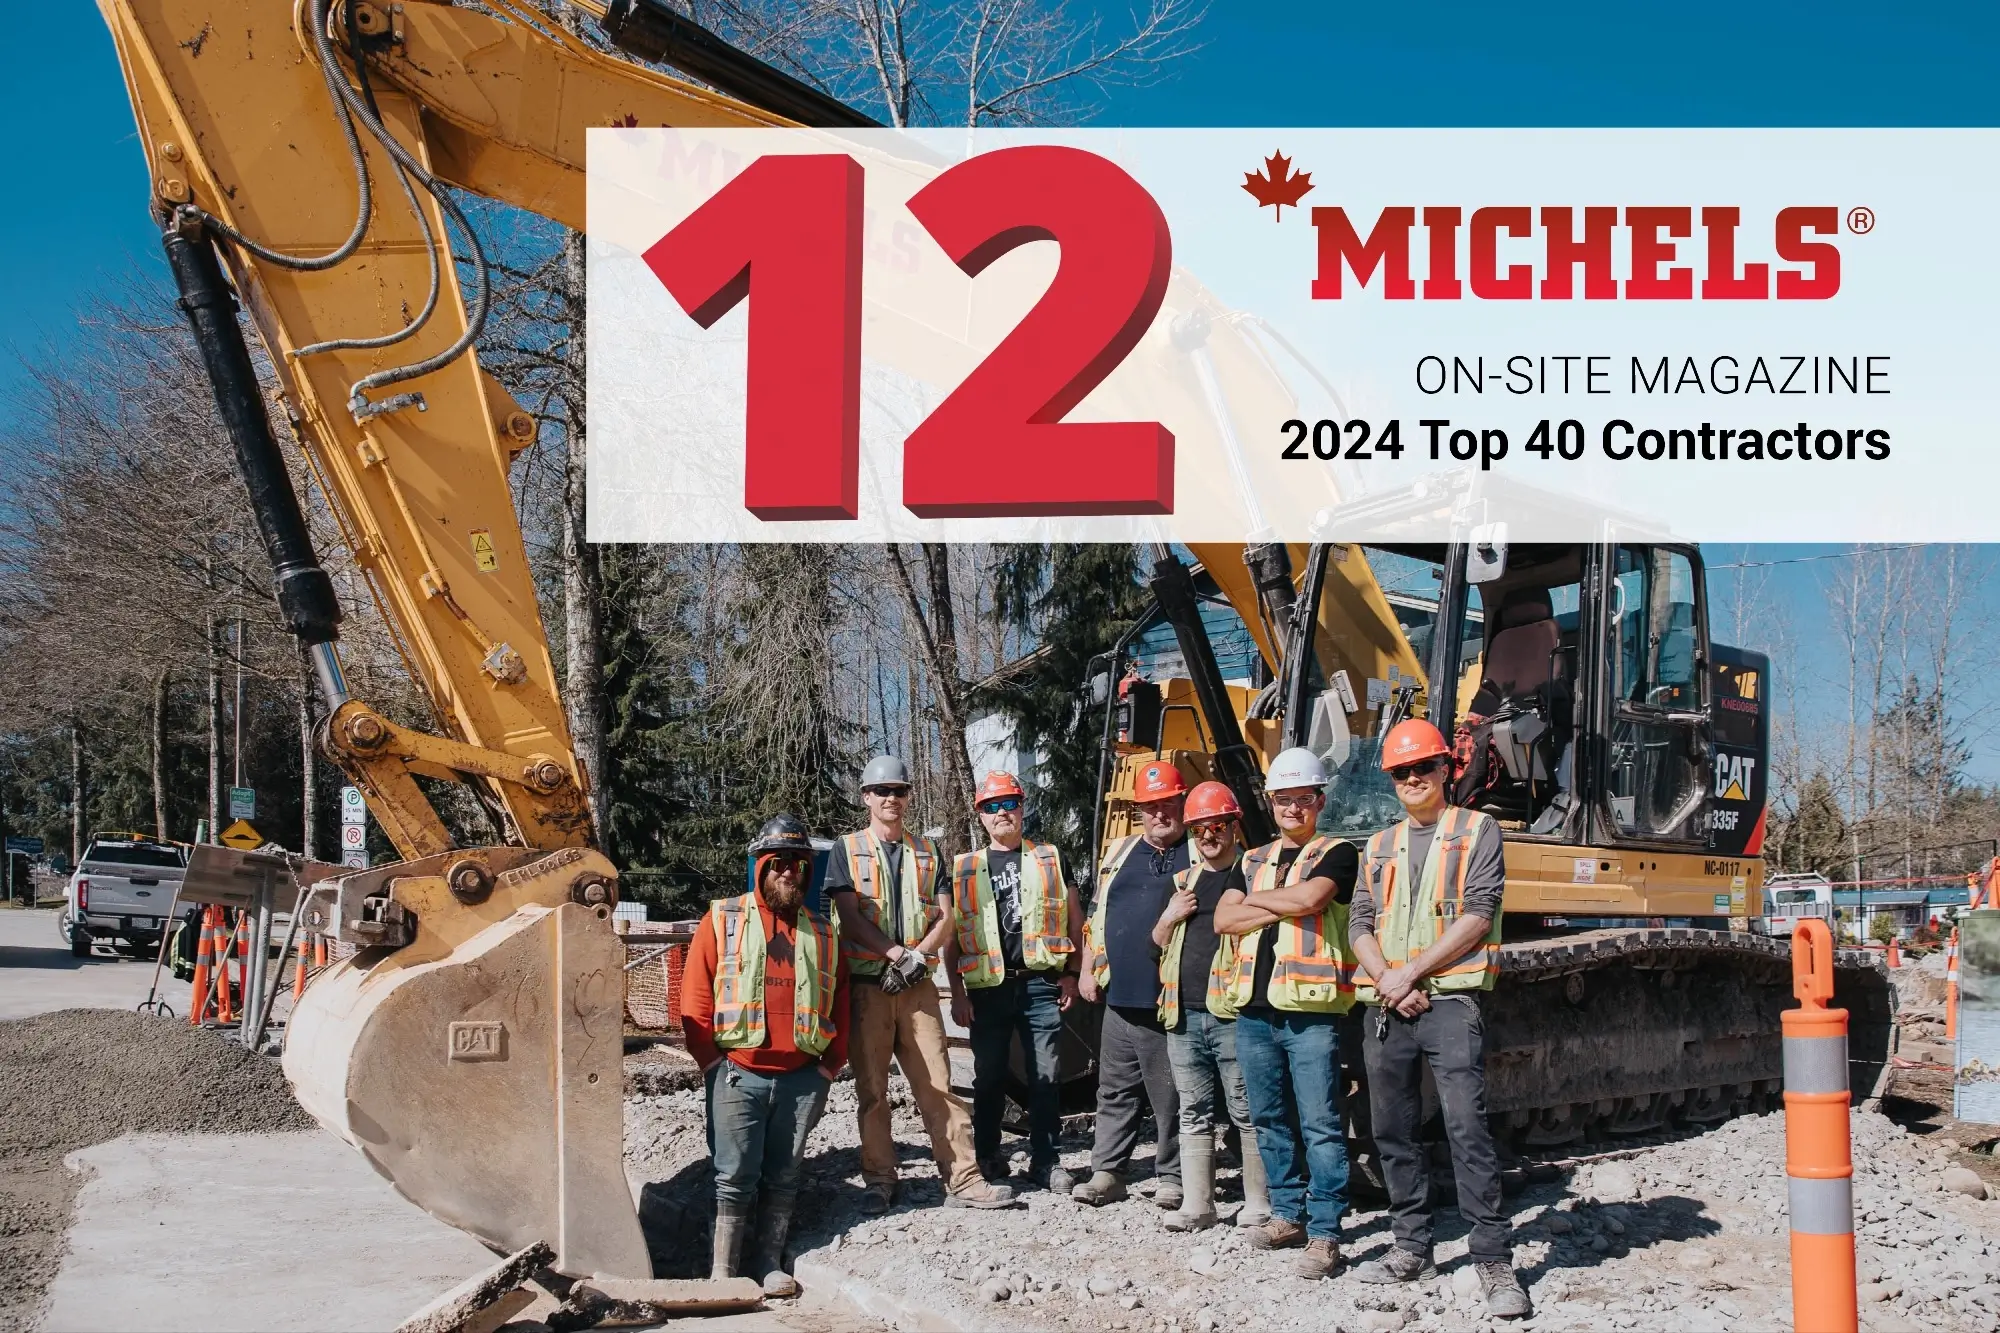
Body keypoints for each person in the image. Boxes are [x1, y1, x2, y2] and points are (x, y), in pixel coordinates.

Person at [1349, 719, 1529, 1319]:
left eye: (1422, 768)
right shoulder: (1377, 845)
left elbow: (1478, 913)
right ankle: (1411, 1247)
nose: (1412, 779)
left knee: (1465, 1130)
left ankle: (1492, 1257)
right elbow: (1359, 926)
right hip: (1389, 1005)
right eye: (1401, 772)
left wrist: (1410, 975)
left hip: (1449, 1001)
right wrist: (1387, 980)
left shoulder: (1478, 830)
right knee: (1393, 1132)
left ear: (1445, 769)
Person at [825, 755, 1015, 1214]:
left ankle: (963, 1178)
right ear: (867, 797)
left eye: (900, 790)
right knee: (872, 1091)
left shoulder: (928, 852)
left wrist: (920, 955)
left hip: (917, 988)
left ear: (908, 796)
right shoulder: (845, 849)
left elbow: (946, 915)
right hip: (869, 987)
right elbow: (849, 918)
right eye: (882, 791)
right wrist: (896, 955)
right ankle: (879, 1179)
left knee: (938, 1083)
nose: (892, 798)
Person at [682, 814, 849, 1297]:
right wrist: (712, 1064)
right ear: (761, 866)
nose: (789, 872)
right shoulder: (724, 918)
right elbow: (695, 997)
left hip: (801, 1077)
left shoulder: (822, 929)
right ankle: (723, 1273)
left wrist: (828, 1068)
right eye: (778, 862)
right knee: (734, 1174)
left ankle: (768, 1264)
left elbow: (839, 1000)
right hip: (737, 1073)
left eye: (798, 863)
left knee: (785, 1175)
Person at [1212, 747, 1359, 1279]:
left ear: (1319, 800)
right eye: (1283, 800)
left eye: (1303, 799)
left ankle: (1324, 1233)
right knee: (1269, 1118)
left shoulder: (1338, 852)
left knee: (1320, 1123)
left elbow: (1312, 900)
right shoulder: (1250, 859)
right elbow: (1223, 922)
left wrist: (1263, 902)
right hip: (1253, 1010)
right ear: (1271, 802)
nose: (1292, 808)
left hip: (1309, 1012)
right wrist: (1281, 899)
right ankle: (1287, 1214)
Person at [944, 771, 1084, 1192]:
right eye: (992, 806)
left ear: (1022, 808)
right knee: (988, 1077)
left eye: (1008, 804)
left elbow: (1075, 919)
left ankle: (1046, 1161)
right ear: (981, 816)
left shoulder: (1050, 858)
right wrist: (957, 992)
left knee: (1046, 1075)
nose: (1001, 813)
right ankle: (988, 1155)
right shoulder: (964, 867)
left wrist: (1073, 975)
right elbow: (951, 934)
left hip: (1040, 983)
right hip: (987, 989)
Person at [1150, 780, 1271, 1232]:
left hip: (1232, 1013)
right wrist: (1169, 916)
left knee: (1247, 1109)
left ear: (1235, 825)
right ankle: (1198, 1205)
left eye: (1217, 824)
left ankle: (1258, 1203)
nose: (1207, 835)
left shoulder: (1254, 874)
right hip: (1182, 1013)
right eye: (1199, 827)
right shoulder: (1183, 883)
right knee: (1193, 1110)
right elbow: (1155, 946)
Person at [1073, 760, 1189, 1209]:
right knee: (1114, 1089)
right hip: (1118, 996)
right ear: (1138, 810)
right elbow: (1095, 918)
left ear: (1182, 803)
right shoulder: (1119, 853)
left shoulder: (1198, 852)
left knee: (1171, 1092)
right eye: (1151, 807)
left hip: (1170, 998)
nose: (1160, 814)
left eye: (1168, 804)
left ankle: (1172, 1177)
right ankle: (1108, 1172)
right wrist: (1087, 968)